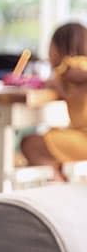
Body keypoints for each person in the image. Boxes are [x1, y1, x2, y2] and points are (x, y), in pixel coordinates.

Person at [21, 22, 87, 181]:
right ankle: (59, 180)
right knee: (45, 140)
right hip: (79, 134)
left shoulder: (73, 65)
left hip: (84, 138)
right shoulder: (68, 76)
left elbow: (78, 72)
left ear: (62, 47)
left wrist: (59, 76)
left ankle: (58, 185)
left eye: (51, 46)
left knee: (30, 144)